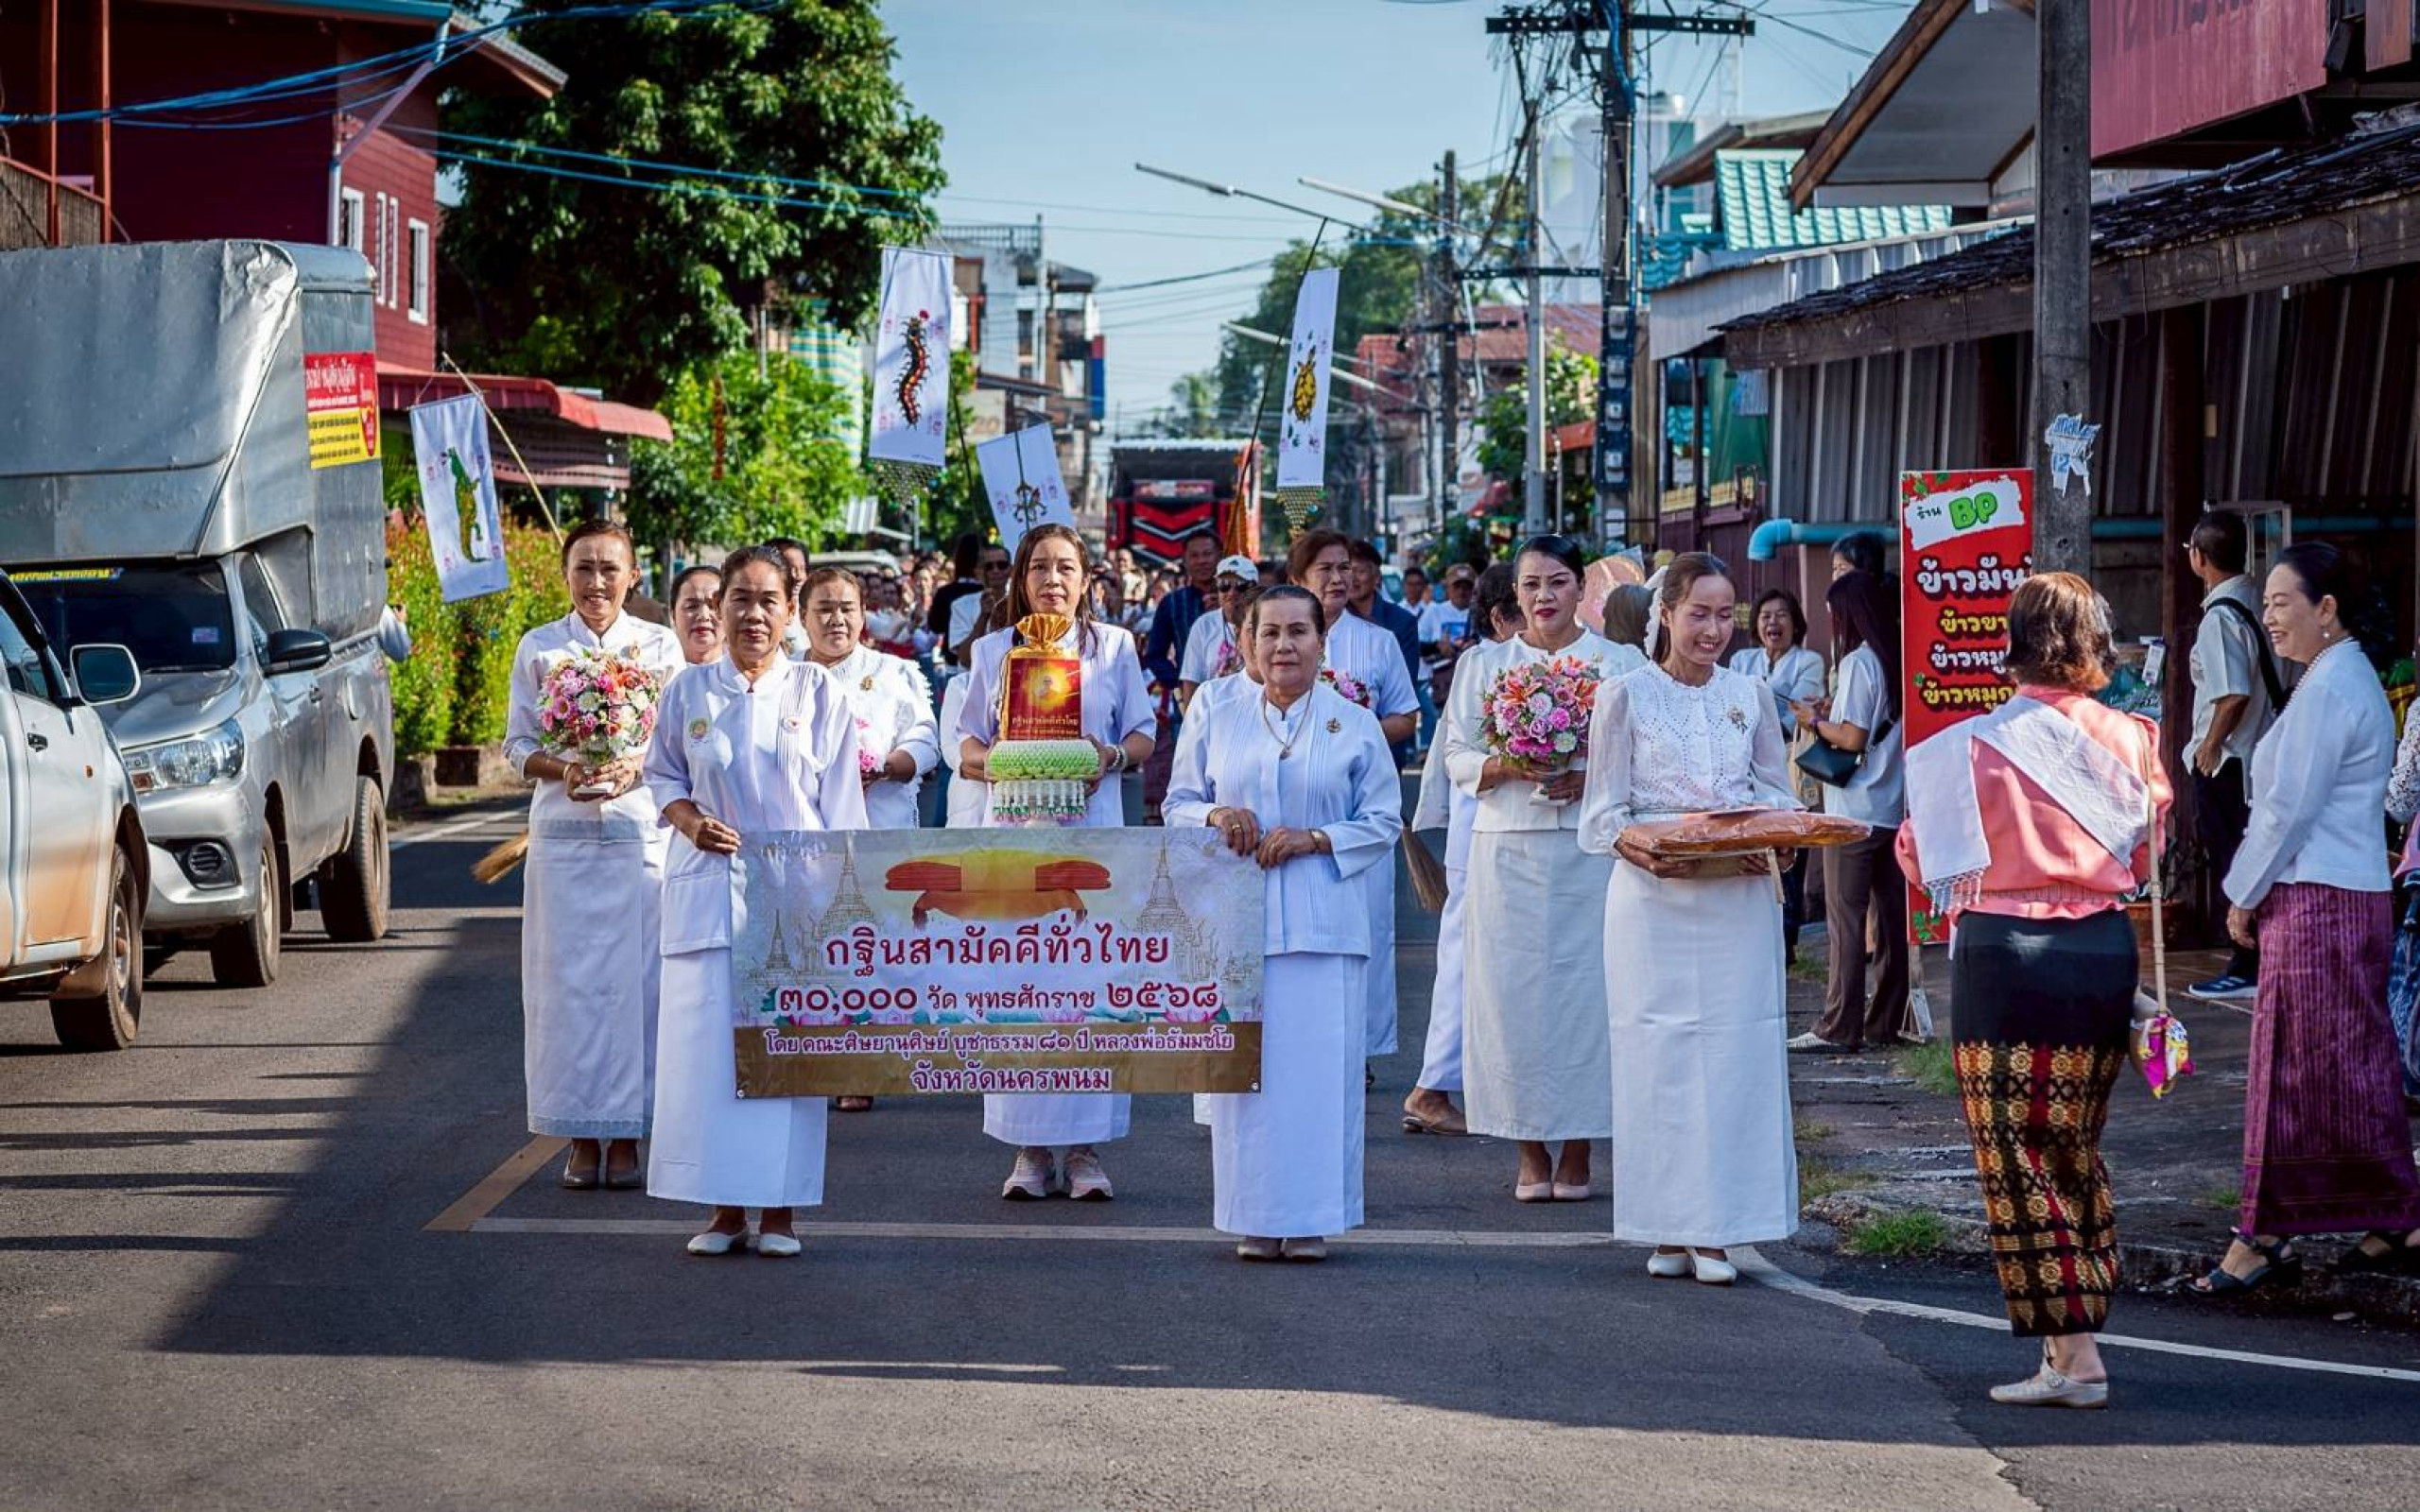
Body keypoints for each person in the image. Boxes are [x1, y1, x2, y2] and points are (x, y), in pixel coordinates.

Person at [1896, 573, 2169, 1407]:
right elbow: (2150, 857)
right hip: (2102, 949)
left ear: (2013, 641)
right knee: (2076, 1145)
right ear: (2095, 640)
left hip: (2004, 955)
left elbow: (1920, 857)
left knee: (2016, 1154)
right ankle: (2070, 1338)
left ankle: (2075, 1353)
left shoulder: (1967, 746)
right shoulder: (2135, 738)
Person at [2198, 542, 2420, 1292]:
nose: (2268, 618)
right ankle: (2393, 1215)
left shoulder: (2331, 687)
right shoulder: (2335, 677)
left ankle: (2263, 1235)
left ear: (2327, 608)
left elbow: (2287, 810)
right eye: (2264, 604)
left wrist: (2243, 892)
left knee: (2292, 1069)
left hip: (2319, 899)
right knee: (2348, 1066)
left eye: (2280, 603)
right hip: (2340, 895)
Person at [1578, 552, 1800, 1285]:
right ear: (1665, 614)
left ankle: (1718, 1230)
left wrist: (1778, 838)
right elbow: (1602, 816)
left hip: (1738, 898)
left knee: (1736, 1056)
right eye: (1698, 613)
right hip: (1654, 901)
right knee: (1658, 1055)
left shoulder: (1750, 694)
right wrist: (1649, 849)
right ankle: (1668, 1225)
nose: (1713, 629)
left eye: (1725, 614)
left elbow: (1777, 793)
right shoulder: (1624, 696)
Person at [1166, 586, 1404, 1261]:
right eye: (1269, 632)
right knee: (1249, 1082)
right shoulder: (1218, 714)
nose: (1283, 646)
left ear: (1322, 643)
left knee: (1320, 1080)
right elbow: (1179, 803)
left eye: (1298, 631)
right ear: (1247, 642)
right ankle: (1255, 1215)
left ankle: (1311, 1220)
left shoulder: (1353, 721)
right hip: (1238, 927)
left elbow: (1383, 819)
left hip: (1327, 925)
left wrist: (1317, 838)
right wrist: (1216, 815)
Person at [645, 545, 868, 1257]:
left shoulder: (815, 691)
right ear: (720, 606)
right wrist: (688, 821)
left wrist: (839, 904)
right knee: (710, 1060)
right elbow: (662, 776)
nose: (753, 614)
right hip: (708, 896)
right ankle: (723, 1212)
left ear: (789, 609)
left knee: (785, 1057)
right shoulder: (689, 691)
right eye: (740, 598)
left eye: (769, 600)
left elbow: (843, 808)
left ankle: (779, 1214)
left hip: (792, 905)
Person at [955, 524, 1157, 1199]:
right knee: (1020, 988)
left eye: (1066, 567)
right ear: (1020, 579)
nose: (1052, 580)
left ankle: (1087, 1151)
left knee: (1091, 987)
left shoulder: (1114, 648)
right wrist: (1007, 763)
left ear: (1086, 579)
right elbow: (967, 745)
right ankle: (1030, 1148)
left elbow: (1143, 732)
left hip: (1091, 841)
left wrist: (1109, 757)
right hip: (1015, 841)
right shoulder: (993, 651)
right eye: (1039, 567)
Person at [1444, 538, 1644, 1200]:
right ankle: (1528, 1148)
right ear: (1516, 593)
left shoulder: (1618, 663)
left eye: (1557, 582)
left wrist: (1588, 777)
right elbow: (1455, 753)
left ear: (1581, 588)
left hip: (1590, 852)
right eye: (1531, 584)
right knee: (1512, 1001)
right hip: (1507, 848)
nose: (1544, 596)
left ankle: (1580, 1146)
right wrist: (1507, 764)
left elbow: (1642, 756)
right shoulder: (1484, 664)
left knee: (1590, 996)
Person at [501, 520, 685, 1191]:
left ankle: (629, 1132)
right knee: (568, 992)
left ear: (633, 576)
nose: (597, 582)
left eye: (611, 569)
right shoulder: (540, 647)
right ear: (565, 575)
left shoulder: (660, 647)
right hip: (564, 844)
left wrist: (638, 765)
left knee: (640, 988)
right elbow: (517, 745)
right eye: (584, 568)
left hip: (639, 837)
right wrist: (564, 771)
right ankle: (580, 1134)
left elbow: (677, 741)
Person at [1290, 528, 1420, 1061]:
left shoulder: (1378, 641)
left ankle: (1360, 1048)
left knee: (1368, 924)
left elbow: (1405, 717)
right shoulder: (1278, 639)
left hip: (1360, 801)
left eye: (1344, 567)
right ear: (1299, 578)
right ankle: (1300, 1043)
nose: (1339, 578)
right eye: (1325, 569)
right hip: (1295, 802)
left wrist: (1351, 734)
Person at [1403, 563, 1519, 1138]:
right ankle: (1431, 1086)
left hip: (1507, 834)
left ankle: (1469, 1080)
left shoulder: (1524, 660)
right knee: (1464, 960)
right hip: (1481, 832)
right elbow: (1461, 757)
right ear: (1500, 617)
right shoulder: (1484, 663)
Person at [1791, 570, 1911, 1053]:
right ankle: (1884, 1023)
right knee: (1892, 924)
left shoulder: (1860, 662)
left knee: (1846, 923)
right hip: (1892, 807)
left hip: (1853, 812)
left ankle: (1840, 1026)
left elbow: (1853, 738)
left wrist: (1814, 721)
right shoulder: (1898, 657)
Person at [2182, 510, 2284, 1004]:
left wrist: (2208, 745)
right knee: (2257, 859)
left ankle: (2247, 965)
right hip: (2264, 756)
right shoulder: (2261, 605)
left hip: (2230, 764)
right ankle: (2262, 959)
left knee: (2234, 863)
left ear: (2200, 558)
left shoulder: (2220, 618)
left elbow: (2233, 693)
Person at [798, 567, 939, 832]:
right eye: (825, 609)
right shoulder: (784, 673)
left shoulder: (892, 671)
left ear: (862, 615)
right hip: (804, 828)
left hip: (881, 825)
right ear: (803, 617)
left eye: (847, 609)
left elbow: (924, 740)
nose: (837, 619)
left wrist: (883, 767)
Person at [1731, 589, 1826, 959]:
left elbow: (1790, 719)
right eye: (1766, 615)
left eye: (1782, 614)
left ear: (1795, 623)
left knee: (1789, 857)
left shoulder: (1809, 661)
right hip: (1744, 773)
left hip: (1789, 771)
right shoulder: (1741, 659)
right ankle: (1754, 941)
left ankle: (1786, 944)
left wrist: (1751, 706)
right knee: (1751, 856)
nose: (1773, 622)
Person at [1142, 530, 1222, 820]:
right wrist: (1179, 684)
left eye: (1208, 554)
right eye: (1194, 556)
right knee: (1191, 770)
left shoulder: (1240, 599)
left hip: (1237, 696)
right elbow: (1154, 654)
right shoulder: (1173, 603)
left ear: (1220, 556)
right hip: (1189, 702)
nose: (1202, 561)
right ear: (1185, 561)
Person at [1178, 555, 1258, 711]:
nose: (1232, 593)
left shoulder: (1264, 622)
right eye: (1224, 585)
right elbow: (1191, 680)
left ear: (1254, 588)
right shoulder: (1204, 625)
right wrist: (1191, 720)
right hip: (1213, 713)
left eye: (1241, 586)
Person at [946, 541, 1013, 668]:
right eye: (989, 567)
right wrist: (983, 616)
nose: (995, 570)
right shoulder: (961, 606)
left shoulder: (1024, 603)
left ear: (1011, 569)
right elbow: (965, 659)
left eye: (1002, 565)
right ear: (978, 572)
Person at [766, 536, 813, 656]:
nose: (798, 576)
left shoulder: (812, 611)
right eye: (790, 569)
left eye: (802, 569)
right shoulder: (762, 616)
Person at [669, 564, 723, 667]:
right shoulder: (656, 669)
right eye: (691, 606)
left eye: (714, 606)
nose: (703, 615)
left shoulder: (746, 671)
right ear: (673, 614)